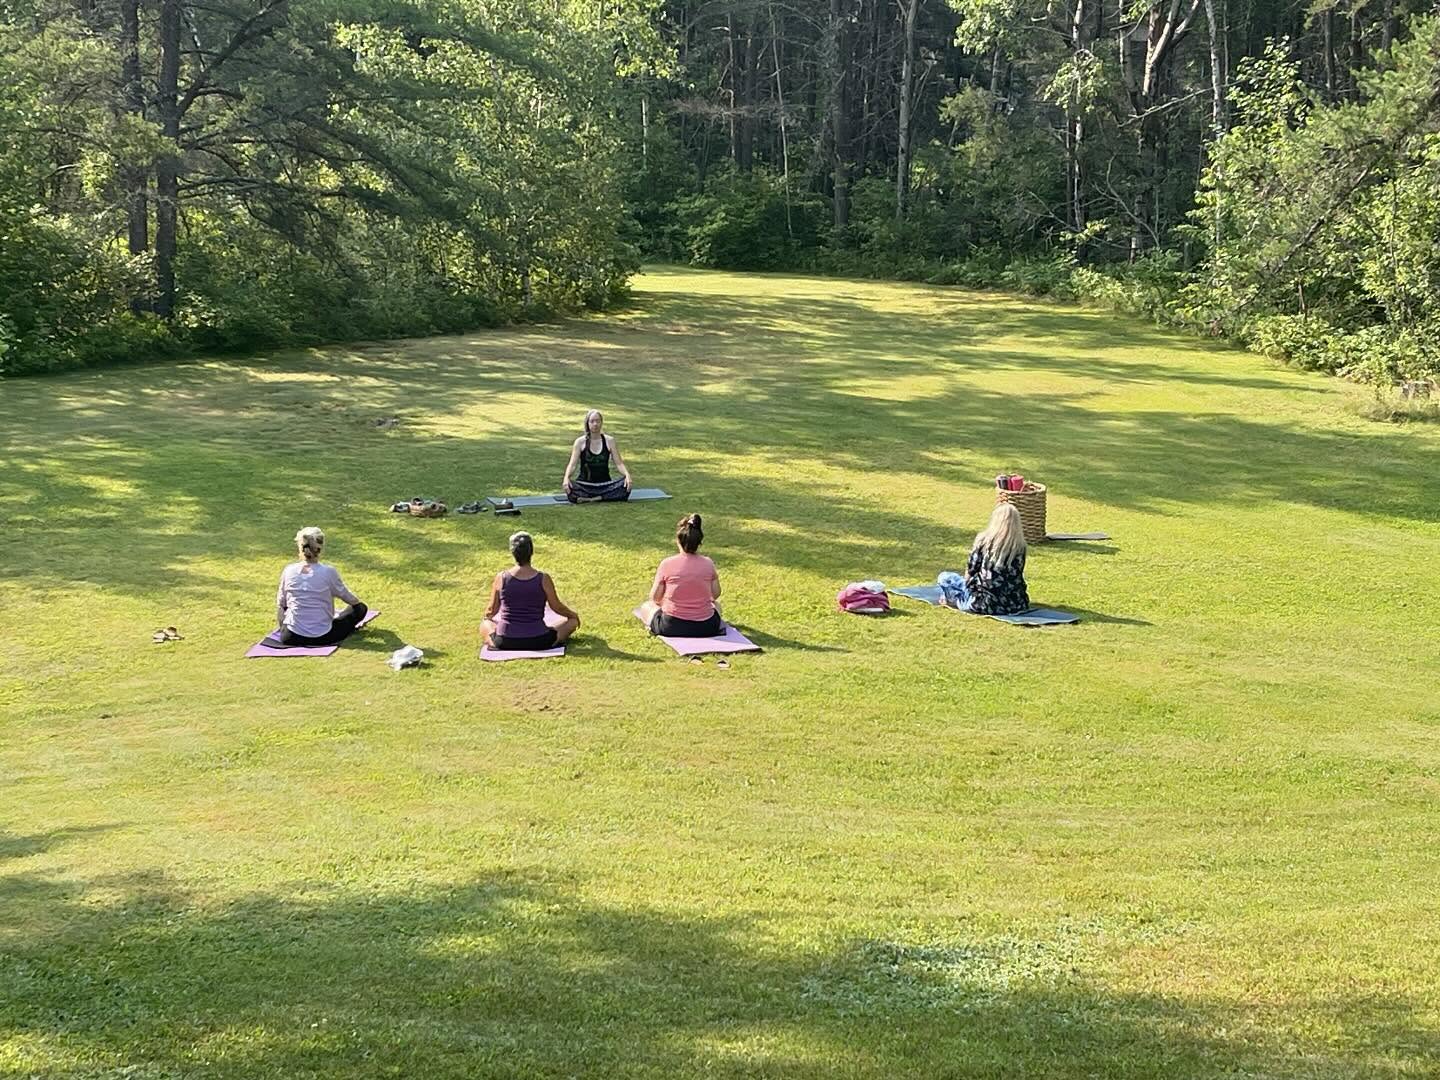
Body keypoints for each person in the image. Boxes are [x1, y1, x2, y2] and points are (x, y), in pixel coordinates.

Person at [481, 531, 580, 650]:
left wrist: (488, 619)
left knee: (485, 623)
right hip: (539, 640)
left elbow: (491, 611)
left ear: (513, 552)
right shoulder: (543, 579)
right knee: (572, 622)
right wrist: (573, 615)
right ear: (531, 552)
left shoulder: (501, 578)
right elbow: (557, 607)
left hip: (505, 640)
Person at [272, 527, 369, 647]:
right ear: (320, 549)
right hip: (324, 636)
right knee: (360, 608)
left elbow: (281, 604)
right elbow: (352, 600)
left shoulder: (289, 570)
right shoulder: (328, 572)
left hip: (291, 636)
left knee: (284, 609)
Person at [639, 513, 724, 637]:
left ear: (678, 540)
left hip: (672, 626)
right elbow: (715, 594)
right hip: (706, 627)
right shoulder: (708, 563)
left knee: (646, 606)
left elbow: (655, 598)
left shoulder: (667, 564)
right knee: (717, 606)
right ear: (699, 542)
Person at [937, 503, 1031, 615]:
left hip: (984, 603)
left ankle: (955, 600)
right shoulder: (1020, 546)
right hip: (1015, 604)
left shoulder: (984, 541)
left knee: (945, 577)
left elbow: (971, 571)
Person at [562, 409, 633, 503]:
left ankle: (593, 498)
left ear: (601, 422)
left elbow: (619, 463)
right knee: (571, 489)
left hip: (605, 485)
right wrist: (566, 478)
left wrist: (627, 475)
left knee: (624, 486)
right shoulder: (580, 442)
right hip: (585, 485)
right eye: (592, 421)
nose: (595, 424)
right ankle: (601, 497)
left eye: (598, 421)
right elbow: (572, 465)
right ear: (587, 423)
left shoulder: (609, 441)